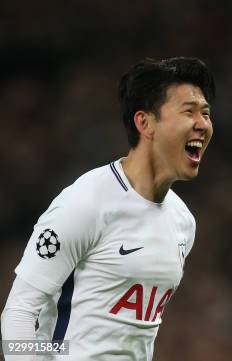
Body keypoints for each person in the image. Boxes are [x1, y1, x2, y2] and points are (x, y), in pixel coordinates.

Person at [1, 57, 215, 361]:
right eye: (189, 111)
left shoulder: (183, 223)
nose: (202, 124)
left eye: (206, 113)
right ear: (145, 123)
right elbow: (19, 313)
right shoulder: (85, 203)